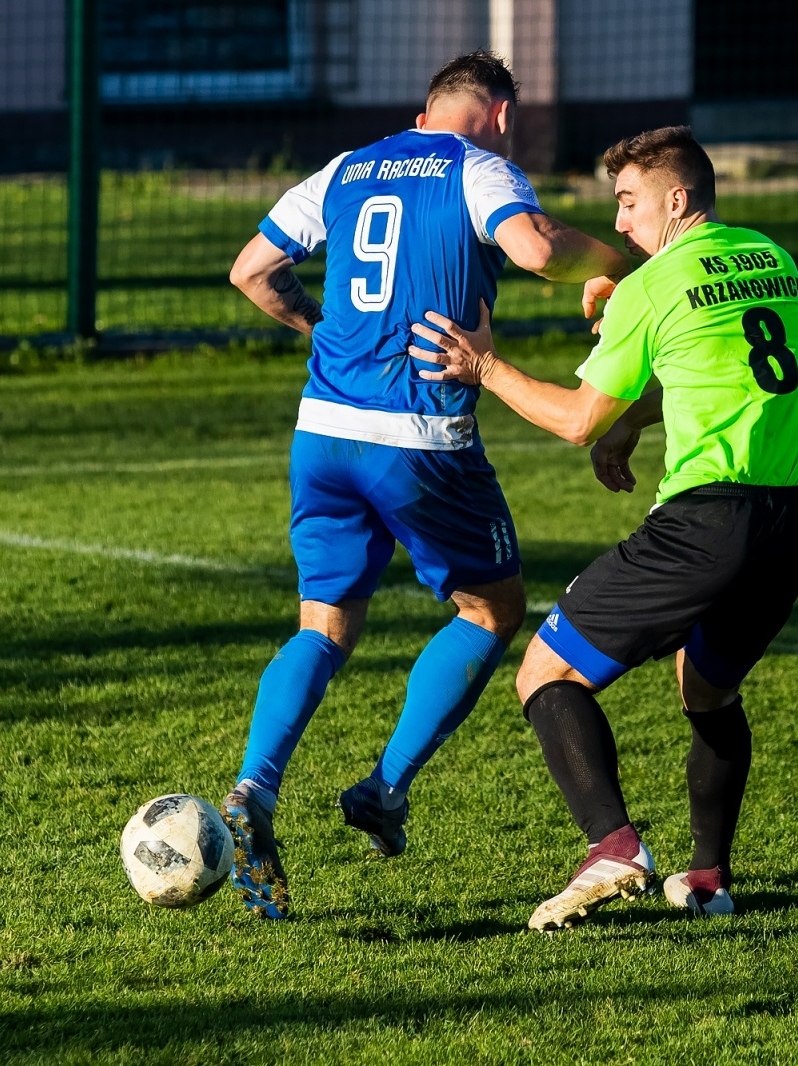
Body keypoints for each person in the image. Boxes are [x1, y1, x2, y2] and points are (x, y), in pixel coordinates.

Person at [223, 51, 628, 919]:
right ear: (501, 115)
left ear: (422, 112)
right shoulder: (478, 167)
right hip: (420, 438)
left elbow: (250, 271)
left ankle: (255, 786)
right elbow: (536, 248)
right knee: (492, 609)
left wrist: (323, 329)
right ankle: (385, 789)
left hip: (323, 431)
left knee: (323, 626)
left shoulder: (346, 167)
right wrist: (619, 260)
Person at [411, 125, 798, 931]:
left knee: (546, 674)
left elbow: (573, 420)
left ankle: (614, 848)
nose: (621, 222)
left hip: (706, 523)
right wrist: (631, 422)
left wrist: (485, 366)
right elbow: (714, 369)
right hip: (787, 526)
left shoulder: (650, 288)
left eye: (630, 203)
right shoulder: (772, 257)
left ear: (677, 198)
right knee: (708, 690)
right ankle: (708, 880)